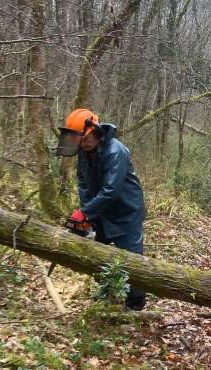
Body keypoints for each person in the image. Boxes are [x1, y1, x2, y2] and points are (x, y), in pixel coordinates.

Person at [58, 108, 147, 310]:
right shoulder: (84, 153)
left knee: (131, 260)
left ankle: (136, 302)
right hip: (101, 211)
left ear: (94, 132)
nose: (81, 144)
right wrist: (86, 212)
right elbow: (83, 181)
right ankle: (107, 291)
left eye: (83, 139)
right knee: (99, 254)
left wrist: (86, 212)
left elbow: (111, 190)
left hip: (126, 211)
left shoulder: (116, 152)